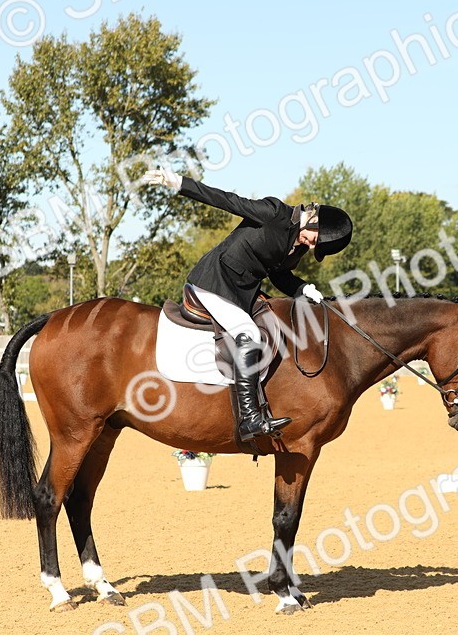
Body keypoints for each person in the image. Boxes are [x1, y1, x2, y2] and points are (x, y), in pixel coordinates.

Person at [141, 166, 352, 441]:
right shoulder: (275, 213)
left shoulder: (297, 245)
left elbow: (279, 275)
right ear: (313, 222)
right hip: (214, 282)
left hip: (243, 291)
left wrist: (303, 288)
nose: (311, 247)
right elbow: (226, 200)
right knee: (249, 334)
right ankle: (249, 419)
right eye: (315, 241)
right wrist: (179, 183)